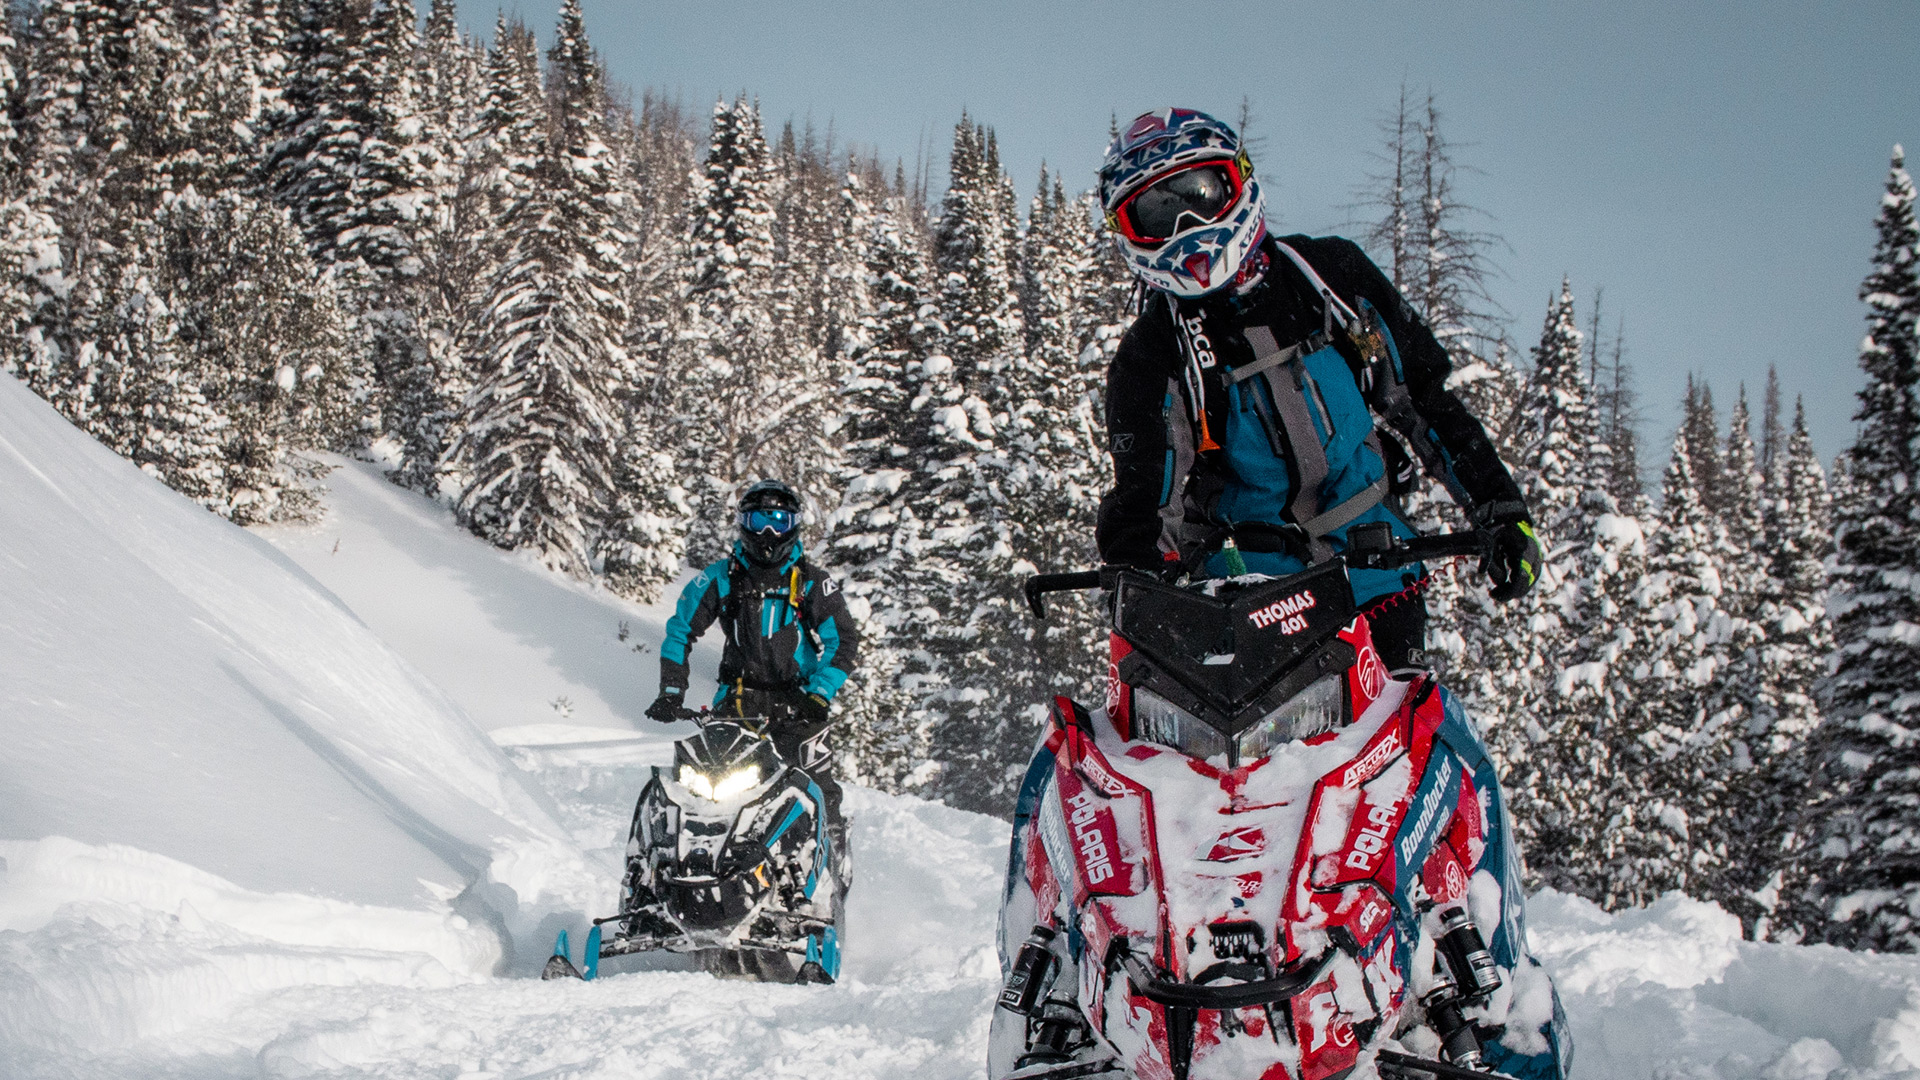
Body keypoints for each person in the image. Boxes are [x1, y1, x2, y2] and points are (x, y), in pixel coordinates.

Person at [1094, 108, 1543, 667]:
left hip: (1375, 569)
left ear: (1238, 180)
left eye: (1200, 193)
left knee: (1403, 734)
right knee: (1243, 752)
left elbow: (1424, 399)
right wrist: (1142, 588)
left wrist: (1499, 508)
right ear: (1129, 233)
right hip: (1246, 593)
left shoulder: (1331, 276)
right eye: (1159, 212)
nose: (1187, 224)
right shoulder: (1152, 351)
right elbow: (1142, 494)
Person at [646, 479, 861, 836]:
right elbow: (680, 630)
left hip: (798, 705)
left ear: (793, 526)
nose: (768, 532)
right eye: (759, 521)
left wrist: (819, 693)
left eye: (779, 521)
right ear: (743, 524)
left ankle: (831, 860)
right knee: (703, 790)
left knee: (816, 790)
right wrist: (671, 692)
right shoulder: (720, 577)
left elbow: (843, 640)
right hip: (736, 703)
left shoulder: (811, 582)